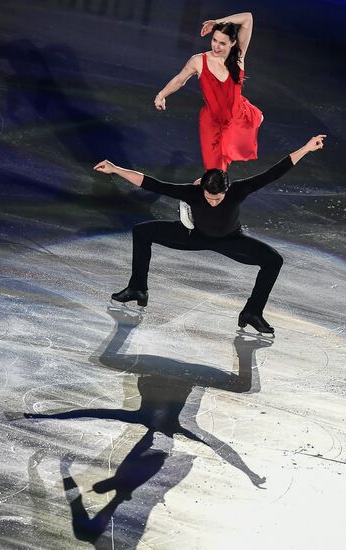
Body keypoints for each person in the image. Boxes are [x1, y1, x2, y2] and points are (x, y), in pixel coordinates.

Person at [93, 135, 326, 334]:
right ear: (202, 188)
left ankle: (252, 312)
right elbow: (151, 183)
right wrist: (115, 169)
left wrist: (306, 148)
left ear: (226, 190)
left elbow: (273, 173)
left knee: (273, 260)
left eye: (218, 198)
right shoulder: (193, 193)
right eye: (208, 197)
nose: (213, 202)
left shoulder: (238, 191)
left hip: (230, 241)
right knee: (142, 232)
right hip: (194, 236)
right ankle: (137, 288)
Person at [154, 12, 263, 171]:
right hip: (212, 123)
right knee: (214, 169)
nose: (216, 46)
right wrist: (161, 95)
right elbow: (179, 80)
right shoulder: (199, 61)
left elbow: (248, 18)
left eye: (222, 43)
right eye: (214, 40)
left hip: (236, 117)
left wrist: (216, 22)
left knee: (225, 162)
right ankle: (210, 183)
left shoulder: (238, 57)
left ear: (232, 43)